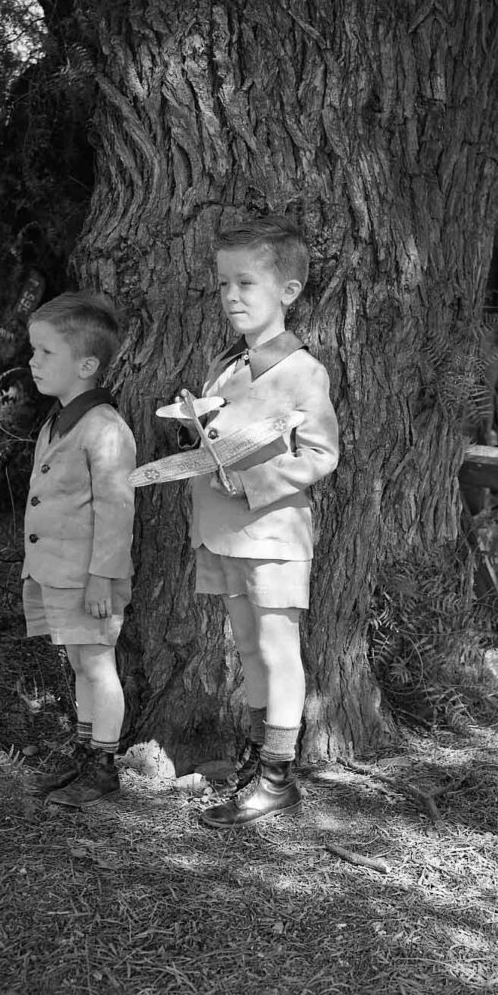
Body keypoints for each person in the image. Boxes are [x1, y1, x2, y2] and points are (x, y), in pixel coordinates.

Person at [182, 216, 339, 829]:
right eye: (223, 284)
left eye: (247, 283)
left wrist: (251, 482)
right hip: (223, 531)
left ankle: (279, 777)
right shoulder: (228, 365)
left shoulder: (302, 370)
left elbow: (322, 453)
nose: (231, 296)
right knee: (247, 646)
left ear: (289, 292)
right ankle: (258, 760)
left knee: (277, 649)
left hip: (272, 534)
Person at [21, 291, 136, 808]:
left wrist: (102, 577)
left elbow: (116, 511)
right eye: (33, 350)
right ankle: (88, 751)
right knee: (80, 662)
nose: (32, 361)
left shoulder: (105, 427)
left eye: (46, 352)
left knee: (97, 664)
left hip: (89, 576)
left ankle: (105, 767)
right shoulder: (57, 420)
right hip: (57, 571)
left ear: (86, 365)